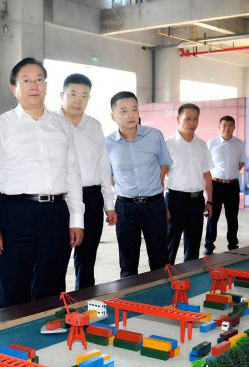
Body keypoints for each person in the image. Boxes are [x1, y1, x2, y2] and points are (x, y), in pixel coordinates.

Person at [0, 58, 84, 308]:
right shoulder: (0, 126)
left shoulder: (62, 125)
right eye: (26, 80)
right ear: (14, 88)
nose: (34, 85)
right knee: (14, 288)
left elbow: (73, 174)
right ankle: (13, 333)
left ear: (46, 86)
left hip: (56, 214)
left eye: (39, 79)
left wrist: (76, 219)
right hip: (15, 214)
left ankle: (49, 331)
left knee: (52, 287)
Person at [106, 91, 172, 278]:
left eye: (134, 109)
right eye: (124, 110)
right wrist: (123, 189)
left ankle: (161, 293)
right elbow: (108, 175)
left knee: (160, 258)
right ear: (113, 116)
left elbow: (164, 163)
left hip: (154, 205)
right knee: (128, 262)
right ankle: (129, 294)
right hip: (125, 208)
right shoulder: (107, 143)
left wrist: (156, 185)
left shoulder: (154, 136)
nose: (131, 115)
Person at [59, 73, 116, 289]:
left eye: (84, 95)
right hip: (61, 200)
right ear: (62, 95)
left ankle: (84, 301)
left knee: (87, 258)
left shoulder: (94, 125)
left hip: (92, 198)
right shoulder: (50, 123)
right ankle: (55, 304)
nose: (78, 100)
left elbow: (104, 166)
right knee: (56, 259)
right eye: (73, 94)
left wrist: (109, 205)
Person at [165, 103, 213, 264]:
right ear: (178, 119)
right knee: (169, 245)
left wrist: (210, 201)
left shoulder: (202, 145)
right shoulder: (168, 144)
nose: (192, 123)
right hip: (174, 201)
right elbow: (160, 176)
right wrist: (162, 205)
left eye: (196, 119)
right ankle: (165, 276)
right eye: (187, 119)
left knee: (193, 246)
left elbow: (207, 175)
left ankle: (189, 276)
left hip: (196, 201)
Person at [204, 115, 246, 255]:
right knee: (212, 217)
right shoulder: (211, 143)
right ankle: (209, 245)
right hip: (216, 185)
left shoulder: (239, 144)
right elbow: (206, 164)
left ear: (234, 127)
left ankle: (233, 245)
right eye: (224, 125)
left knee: (232, 217)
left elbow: (241, 162)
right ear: (219, 127)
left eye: (230, 126)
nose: (227, 128)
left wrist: (230, 173)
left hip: (232, 186)